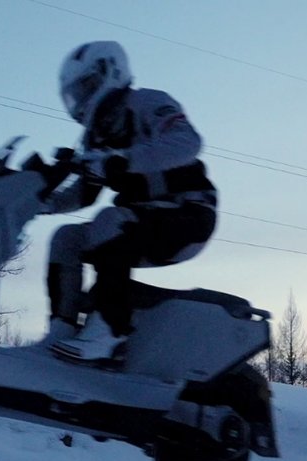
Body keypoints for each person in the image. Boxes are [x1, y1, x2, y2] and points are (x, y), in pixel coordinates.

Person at [42, 41, 217, 361]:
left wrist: (122, 160)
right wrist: (45, 202)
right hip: (138, 222)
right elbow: (86, 191)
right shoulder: (95, 136)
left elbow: (187, 142)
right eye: (77, 92)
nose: (82, 98)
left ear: (112, 71)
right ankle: (62, 326)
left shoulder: (149, 103)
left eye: (88, 86)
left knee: (110, 219)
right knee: (66, 238)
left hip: (188, 213)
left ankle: (111, 330)